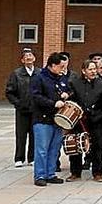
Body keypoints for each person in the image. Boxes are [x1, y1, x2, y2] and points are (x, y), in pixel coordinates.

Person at [29, 52, 70, 186]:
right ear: (52, 65)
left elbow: (68, 89)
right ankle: (40, 175)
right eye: (60, 66)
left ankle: (50, 173)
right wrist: (53, 103)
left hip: (57, 119)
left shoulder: (60, 78)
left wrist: (66, 94)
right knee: (42, 148)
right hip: (42, 119)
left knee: (54, 148)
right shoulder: (39, 78)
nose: (63, 69)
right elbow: (36, 97)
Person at [67, 59, 102, 182]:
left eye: (94, 69)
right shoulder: (75, 83)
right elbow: (71, 101)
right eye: (90, 69)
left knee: (98, 147)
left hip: (97, 121)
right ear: (83, 71)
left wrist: (98, 115)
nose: (93, 71)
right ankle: (75, 172)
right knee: (76, 147)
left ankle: (97, 172)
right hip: (79, 121)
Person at [6, 47, 37, 167]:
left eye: (30, 56)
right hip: (22, 110)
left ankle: (32, 158)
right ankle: (19, 158)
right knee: (21, 135)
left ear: (34, 58)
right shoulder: (16, 74)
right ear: (22, 60)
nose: (29, 58)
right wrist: (18, 103)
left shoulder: (39, 73)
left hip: (35, 110)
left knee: (34, 134)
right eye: (26, 57)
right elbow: (9, 92)